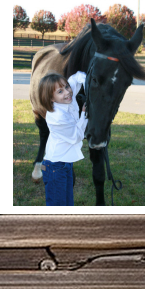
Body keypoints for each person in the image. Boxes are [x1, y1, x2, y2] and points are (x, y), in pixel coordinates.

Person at [38, 71, 88, 206]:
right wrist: (84, 114)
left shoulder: (66, 99)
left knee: (68, 204)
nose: (67, 92)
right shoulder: (57, 117)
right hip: (55, 167)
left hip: (65, 164)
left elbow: (75, 78)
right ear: (51, 98)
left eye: (66, 87)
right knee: (58, 206)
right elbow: (77, 136)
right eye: (60, 91)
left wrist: (86, 81)